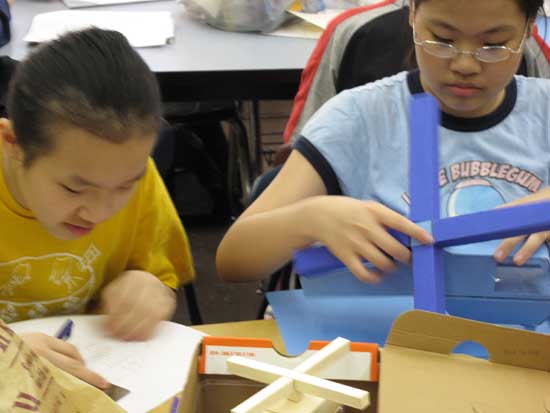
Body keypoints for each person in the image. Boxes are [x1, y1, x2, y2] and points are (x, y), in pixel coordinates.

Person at [216, 0, 550, 285]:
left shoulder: (544, 111)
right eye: (442, 39)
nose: (464, 64)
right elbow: (233, 260)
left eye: (494, 45)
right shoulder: (356, 118)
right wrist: (309, 218)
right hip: (387, 344)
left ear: (528, 28)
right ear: (412, 14)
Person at [0, 28, 194, 388]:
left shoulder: (128, 169)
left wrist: (151, 288)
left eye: (124, 186)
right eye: (75, 188)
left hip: (91, 375)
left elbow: (160, 279)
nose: (100, 212)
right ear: (13, 143)